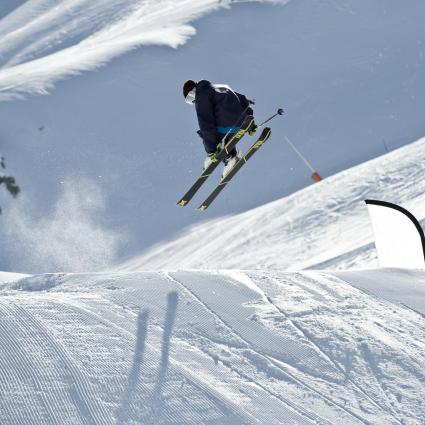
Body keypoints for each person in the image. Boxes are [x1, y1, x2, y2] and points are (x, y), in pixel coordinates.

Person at [183, 79, 256, 177]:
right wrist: (250, 124)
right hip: (241, 125)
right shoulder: (222, 87)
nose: (193, 101)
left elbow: (206, 123)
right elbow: (243, 100)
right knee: (220, 136)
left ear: (194, 91)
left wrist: (211, 150)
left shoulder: (201, 96)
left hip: (227, 128)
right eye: (189, 101)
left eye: (190, 98)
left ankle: (229, 157)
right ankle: (233, 155)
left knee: (205, 132)